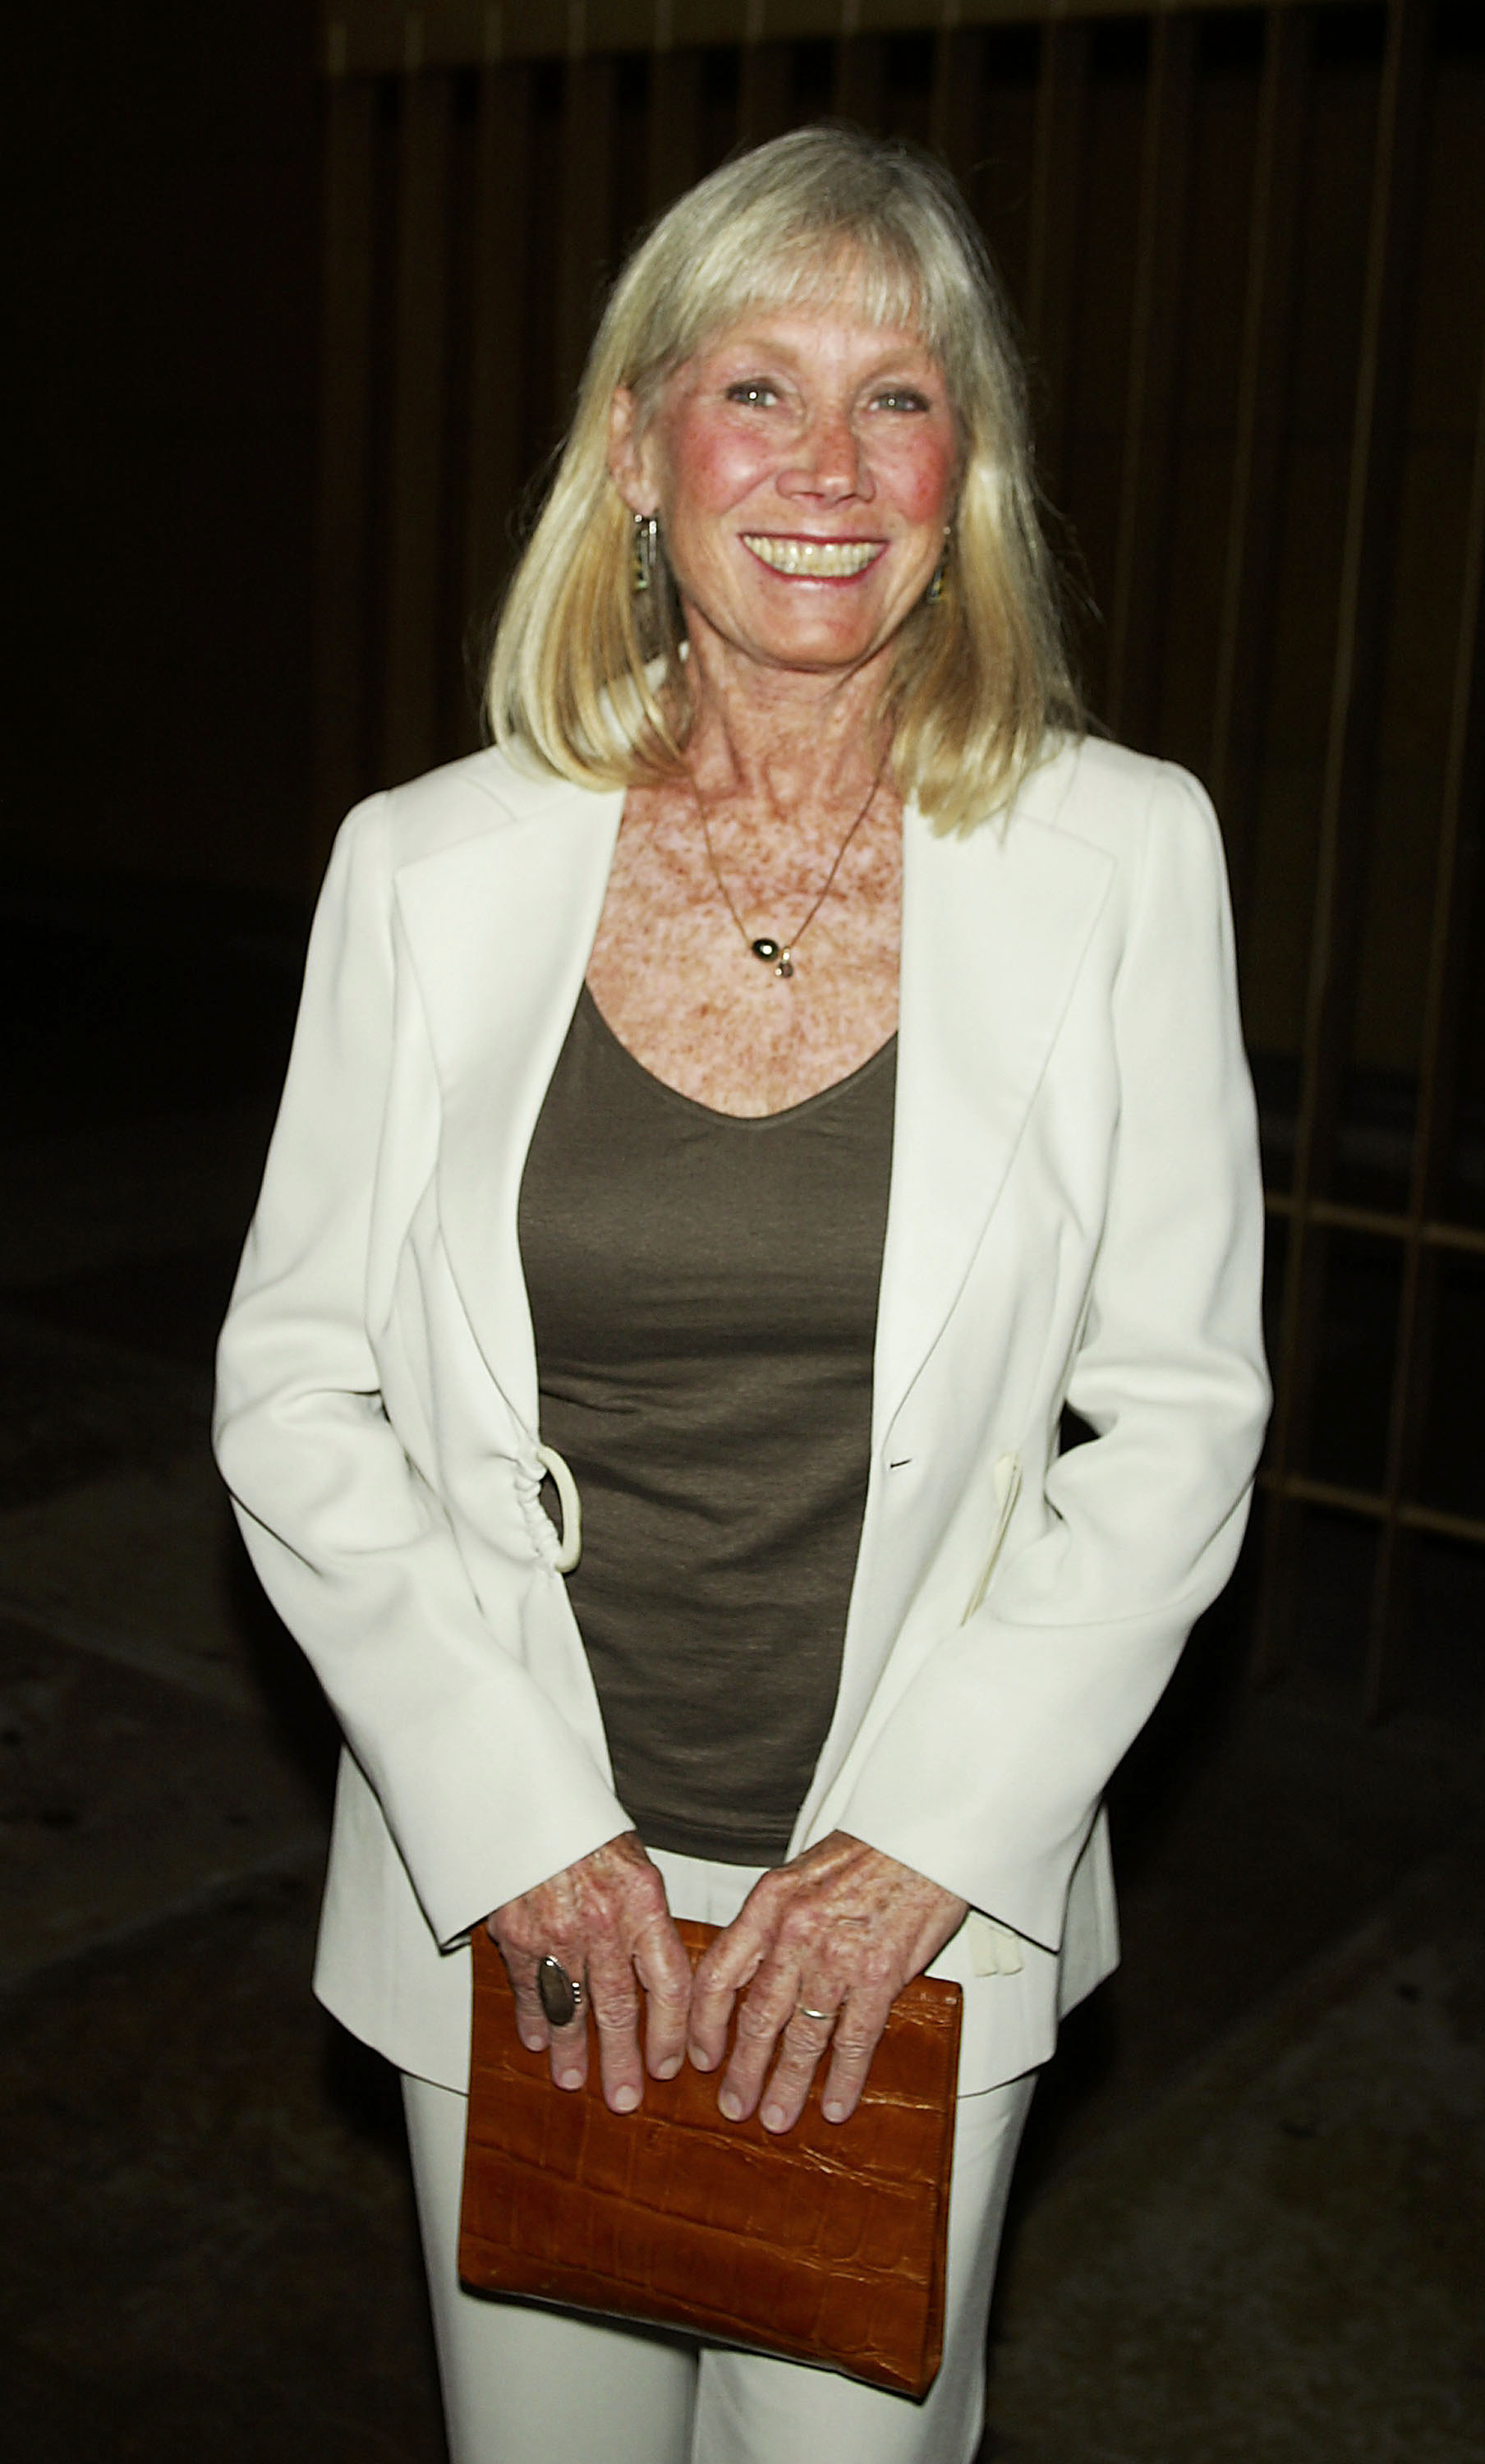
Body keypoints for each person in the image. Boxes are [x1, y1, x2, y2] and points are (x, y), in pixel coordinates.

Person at [214, 125, 1269, 2464]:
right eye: (753, 389)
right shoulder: (424, 871)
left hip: (907, 1918)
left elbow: (1180, 1415)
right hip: (521, 1914)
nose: (826, 465)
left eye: (897, 394)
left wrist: (929, 1842)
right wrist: (507, 1828)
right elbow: (296, 1387)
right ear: (634, 449)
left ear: (963, 467)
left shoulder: (1122, 859)